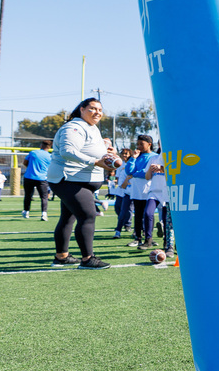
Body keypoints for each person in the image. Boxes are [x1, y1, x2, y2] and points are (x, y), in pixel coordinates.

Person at [46, 97, 118, 269]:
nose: (97, 112)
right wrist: (95, 161)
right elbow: (68, 151)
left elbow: (95, 151)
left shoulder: (91, 128)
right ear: (82, 109)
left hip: (80, 180)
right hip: (69, 179)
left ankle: (61, 256)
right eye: (93, 108)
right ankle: (87, 259)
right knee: (88, 216)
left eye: (100, 110)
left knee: (67, 218)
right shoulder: (74, 127)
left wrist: (109, 153)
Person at [123, 135, 161, 249]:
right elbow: (128, 171)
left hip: (149, 188)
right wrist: (133, 158)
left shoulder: (155, 156)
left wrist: (135, 173)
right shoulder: (136, 156)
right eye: (138, 144)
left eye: (141, 144)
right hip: (136, 189)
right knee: (138, 214)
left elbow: (147, 174)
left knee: (148, 214)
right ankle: (138, 238)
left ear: (149, 144)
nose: (139, 146)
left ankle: (149, 238)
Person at [23, 140, 53, 220]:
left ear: (41, 145)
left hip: (29, 177)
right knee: (44, 197)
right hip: (42, 178)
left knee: (28, 195)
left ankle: (26, 212)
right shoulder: (50, 156)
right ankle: (44, 214)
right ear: (49, 147)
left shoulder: (33, 152)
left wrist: (30, 168)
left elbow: (25, 162)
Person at [112, 147, 135, 238]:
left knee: (127, 210)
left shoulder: (132, 163)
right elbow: (118, 177)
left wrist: (125, 183)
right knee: (117, 207)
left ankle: (127, 225)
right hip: (120, 190)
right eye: (123, 153)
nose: (124, 155)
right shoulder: (119, 164)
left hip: (128, 190)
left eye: (126, 153)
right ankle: (122, 225)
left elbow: (130, 176)